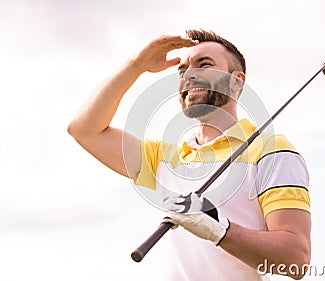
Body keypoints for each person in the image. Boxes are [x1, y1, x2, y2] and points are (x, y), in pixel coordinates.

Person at [68, 29, 311, 280]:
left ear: (236, 80)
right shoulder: (164, 157)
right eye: (182, 70)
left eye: (204, 65)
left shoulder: (272, 150)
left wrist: (220, 231)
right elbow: (84, 130)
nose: (189, 75)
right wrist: (137, 65)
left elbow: (296, 258)